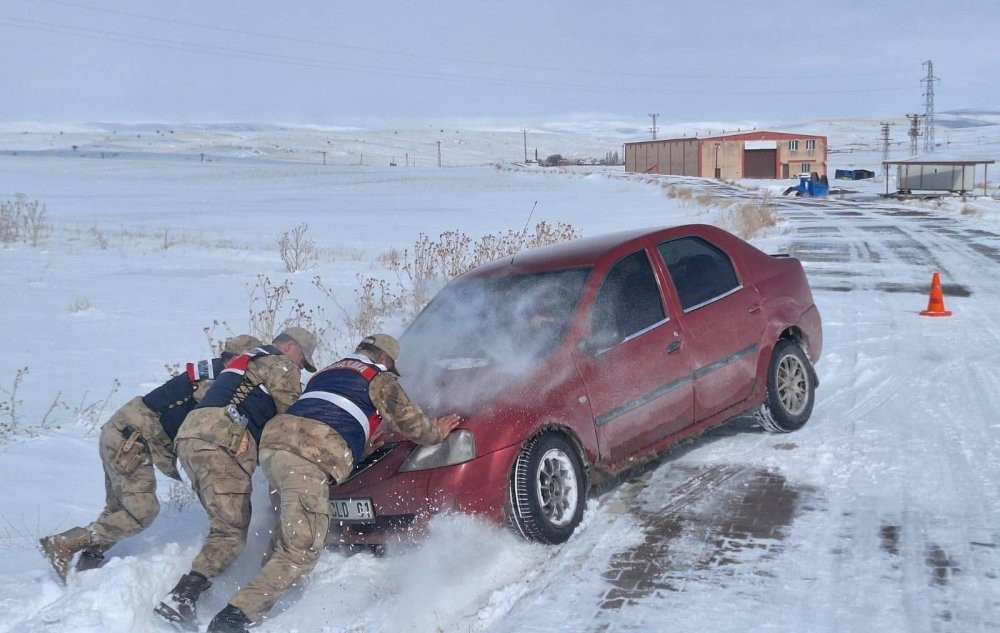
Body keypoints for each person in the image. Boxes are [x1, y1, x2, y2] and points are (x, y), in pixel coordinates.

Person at [205, 333, 461, 633]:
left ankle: (256, 584)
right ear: (384, 360)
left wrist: (357, 446)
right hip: (306, 458)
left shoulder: (329, 371)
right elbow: (410, 420)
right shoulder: (377, 377)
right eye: (390, 368)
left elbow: (327, 412)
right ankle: (233, 618)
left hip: (275, 448)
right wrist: (437, 433)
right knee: (301, 549)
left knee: (289, 531)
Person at [38, 334, 263, 584]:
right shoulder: (218, 378)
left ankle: (88, 564)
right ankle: (65, 543)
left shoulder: (208, 370)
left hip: (121, 434)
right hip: (131, 442)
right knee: (141, 512)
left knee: (118, 509)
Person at [154, 326, 317, 630]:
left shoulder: (245, 359)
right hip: (223, 443)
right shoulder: (280, 363)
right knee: (230, 533)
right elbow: (290, 419)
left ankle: (194, 591)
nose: (299, 369)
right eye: (302, 362)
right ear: (291, 348)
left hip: (192, 437)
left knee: (226, 526)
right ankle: (180, 599)